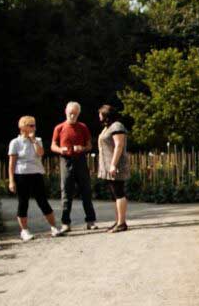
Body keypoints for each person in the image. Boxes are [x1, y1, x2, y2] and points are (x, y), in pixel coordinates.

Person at [8, 116, 63, 242]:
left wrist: (33, 141)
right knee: (23, 202)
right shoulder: (15, 143)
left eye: (34, 125)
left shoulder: (38, 140)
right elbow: (12, 164)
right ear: (23, 127)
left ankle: (54, 227)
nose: (34, 128)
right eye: (31, 125)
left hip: (36, 174)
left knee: (42, 201)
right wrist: (11, 181)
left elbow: (40, 153)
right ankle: (24, 231)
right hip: (21, 175)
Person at [51, 101, 97, 233]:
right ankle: (65, 223)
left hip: (80, 160)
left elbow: (89, 146)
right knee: (66, 192)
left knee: (86, 191)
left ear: (79, 114)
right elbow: (52, 146)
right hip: (65, 160)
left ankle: (90, 221)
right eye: (71, 113)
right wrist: (60, 150)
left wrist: (82, 148)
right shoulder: (59, 128)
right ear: (66, 111)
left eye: (75, 114)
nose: (73, 116)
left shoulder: (83, 127)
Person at [97, 105, 130, 233]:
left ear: (106, 114)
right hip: (108, 166)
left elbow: (119, 145)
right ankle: (118, 221)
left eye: (100, 114)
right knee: (114, 194)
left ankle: (122, 223)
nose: (98, 116)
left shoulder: (117, 126)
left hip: (116, 166)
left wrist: (113, 164)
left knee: (119, 192)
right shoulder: (108, 127)